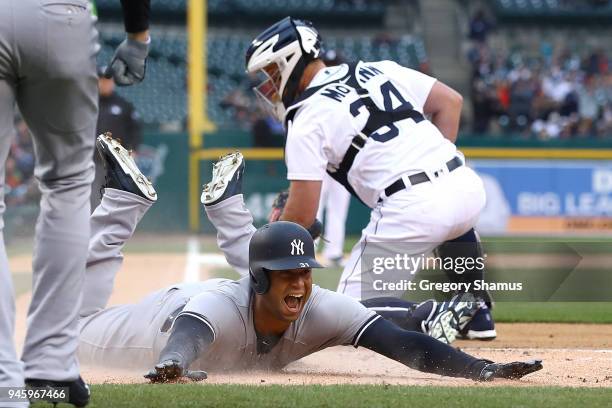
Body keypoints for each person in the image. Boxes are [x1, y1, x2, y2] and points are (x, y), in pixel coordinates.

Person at [73, 142, 541, 385]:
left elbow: (402, 344)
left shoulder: (318, 304)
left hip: (214, 312)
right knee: (71, 330)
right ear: (258, 280)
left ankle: (198, 208)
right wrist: (173, 364)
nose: (301, 283)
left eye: (305, 271)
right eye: (288, 275)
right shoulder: (218, 305)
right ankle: (119, 201)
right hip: (144, 333)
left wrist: (481, 369)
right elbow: (187, 336)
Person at [244, 17, 496, 340]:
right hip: (465, 184)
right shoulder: (376, 69)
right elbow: (451, 102)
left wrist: (277, 231)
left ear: (290, 61)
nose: (270, 84)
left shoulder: (306, 116)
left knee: (341, 319)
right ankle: (477, 312)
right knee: (453, 220)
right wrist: (435, 167)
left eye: (272, 72)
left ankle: (430, 316)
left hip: (412, 206)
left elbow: (303, 216)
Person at [0, 1, 150, 406]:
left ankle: (3, 384)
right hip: (60, 14)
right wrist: (137, 35)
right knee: (67, 184)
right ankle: (51, 366)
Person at [92, 66, 143, 210]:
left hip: (118, 161)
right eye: (102, 80)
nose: (105, 83)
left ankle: (114, 227)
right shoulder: (89, 104)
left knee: (117, 196)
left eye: (108, 80)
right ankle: (94, 227)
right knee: (94, 195)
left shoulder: (124, 105)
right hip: (94, 160)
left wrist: (133, 149)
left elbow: (135, 129)